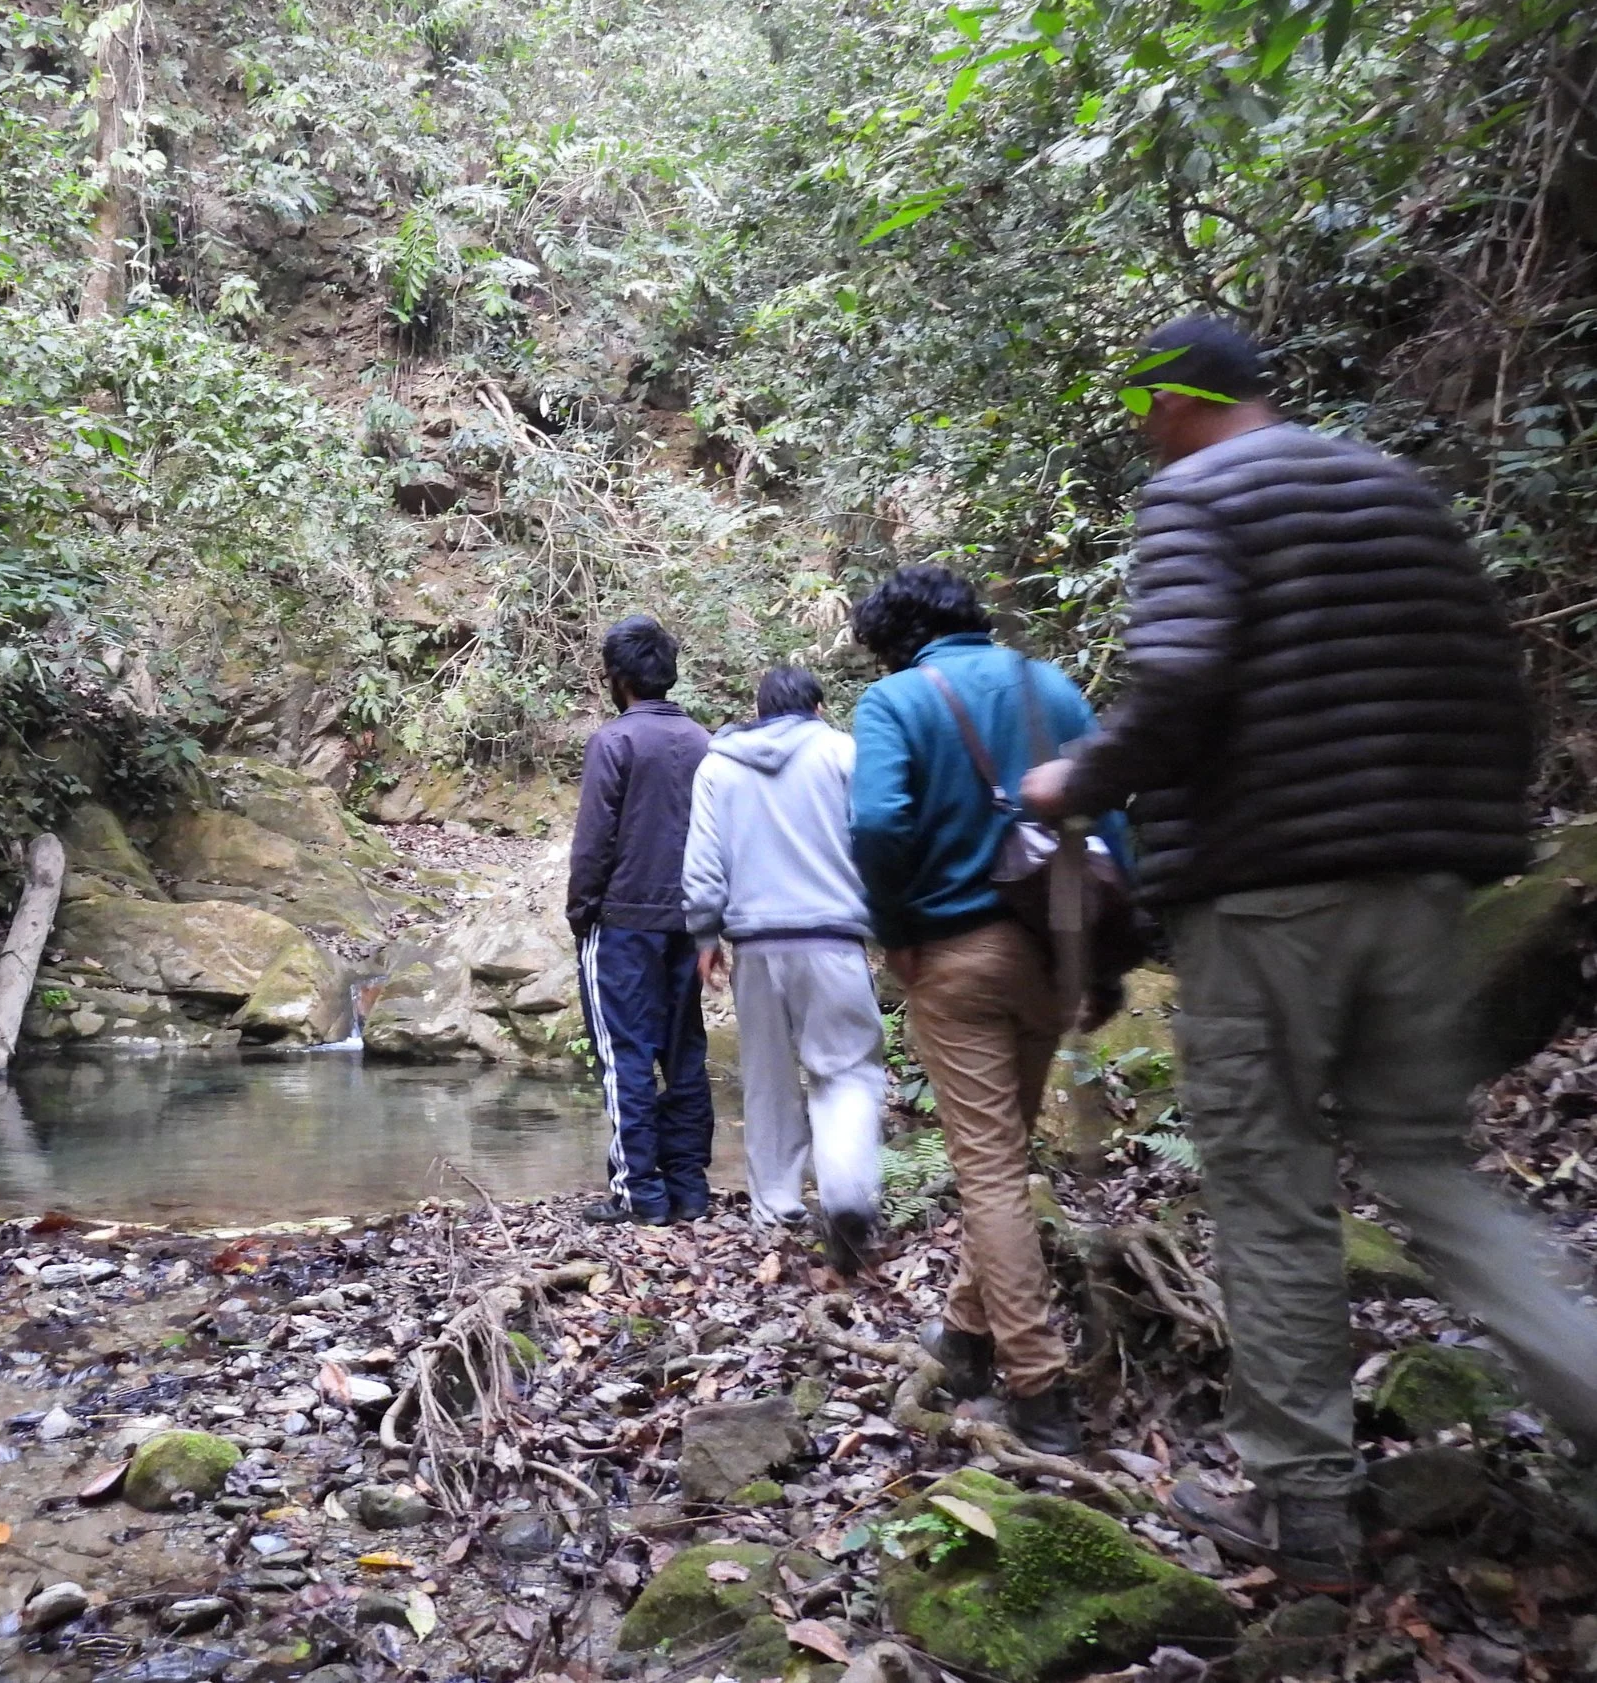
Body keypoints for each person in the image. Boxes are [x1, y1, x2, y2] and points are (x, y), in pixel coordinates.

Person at [1022, 314, 1597, 1590]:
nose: (1144, 440)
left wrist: (1076, 778)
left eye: (1139, 413)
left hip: (1267, 904)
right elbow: (1493, 687)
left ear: (1175, 405)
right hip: (1420, 893)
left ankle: (1305, 1508)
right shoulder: (1394, 490)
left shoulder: (1198, 497)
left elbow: (1175, 680)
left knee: (1272, 1189)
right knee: (1430, 1175)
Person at [849, 564, 1114, 1458]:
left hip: (959, 956)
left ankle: (1039, 1392)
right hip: (1055, 947)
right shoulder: (1054, 688)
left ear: (895, 637)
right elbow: (1114, 813)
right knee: (1006, 1150)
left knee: (990, 1169)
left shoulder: (896, 699)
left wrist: (895, 928)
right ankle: (965, 1338)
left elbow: (880, 823)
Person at [682, 664, 884, 1272]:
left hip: (755, 945)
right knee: (845, 1071)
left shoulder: (719, 765)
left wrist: (703, 933)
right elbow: (875, 835)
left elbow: (702, 862)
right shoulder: (844, 753)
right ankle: (848, 1195)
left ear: (759, 710)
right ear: (818, 708)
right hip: (833, 940)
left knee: (766, 1078)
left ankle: (776, 1207)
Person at [568, 614, 716, 1226]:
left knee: (625, 1053)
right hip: (688, 920)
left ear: (619, 677)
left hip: (624, 919)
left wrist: (581, 914)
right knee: (684, 1052)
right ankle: (689, 1190)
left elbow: (594, 840)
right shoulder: (704, 739)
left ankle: (640, 1195)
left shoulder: (616, 741)